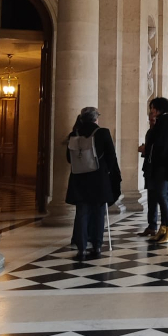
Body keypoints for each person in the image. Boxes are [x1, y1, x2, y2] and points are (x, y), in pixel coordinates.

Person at [65, 107, 121, 261]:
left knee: (82, 213)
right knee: (98, 213)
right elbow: (111, 157)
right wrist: (110, 174)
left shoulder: (73, 134)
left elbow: (69, 159)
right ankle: (96, 246)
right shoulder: (103, 133)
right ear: (96, 118)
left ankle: (81, 248)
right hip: (98, 179)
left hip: (79, 179)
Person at [145, 97, 168, 244]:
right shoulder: (163, 122)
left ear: (159, 109)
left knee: (162, 195)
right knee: (162, 195)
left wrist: (147, 149)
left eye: (153, 108)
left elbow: (161, 147)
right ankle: (164, 228)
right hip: (161, 165)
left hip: (162, 166)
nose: (151, 111)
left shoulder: (164, 123)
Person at [137, 110, 158, 236]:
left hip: (157, 170)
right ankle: (152, 225)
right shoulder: (150, 132)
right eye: (150, 118)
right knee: (151, 199)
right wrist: (145, 150)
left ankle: (164, 227)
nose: (151, 121)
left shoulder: (158, 132)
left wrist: (146, 149)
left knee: (159, 198)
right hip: (149, 169)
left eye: (153, 118)